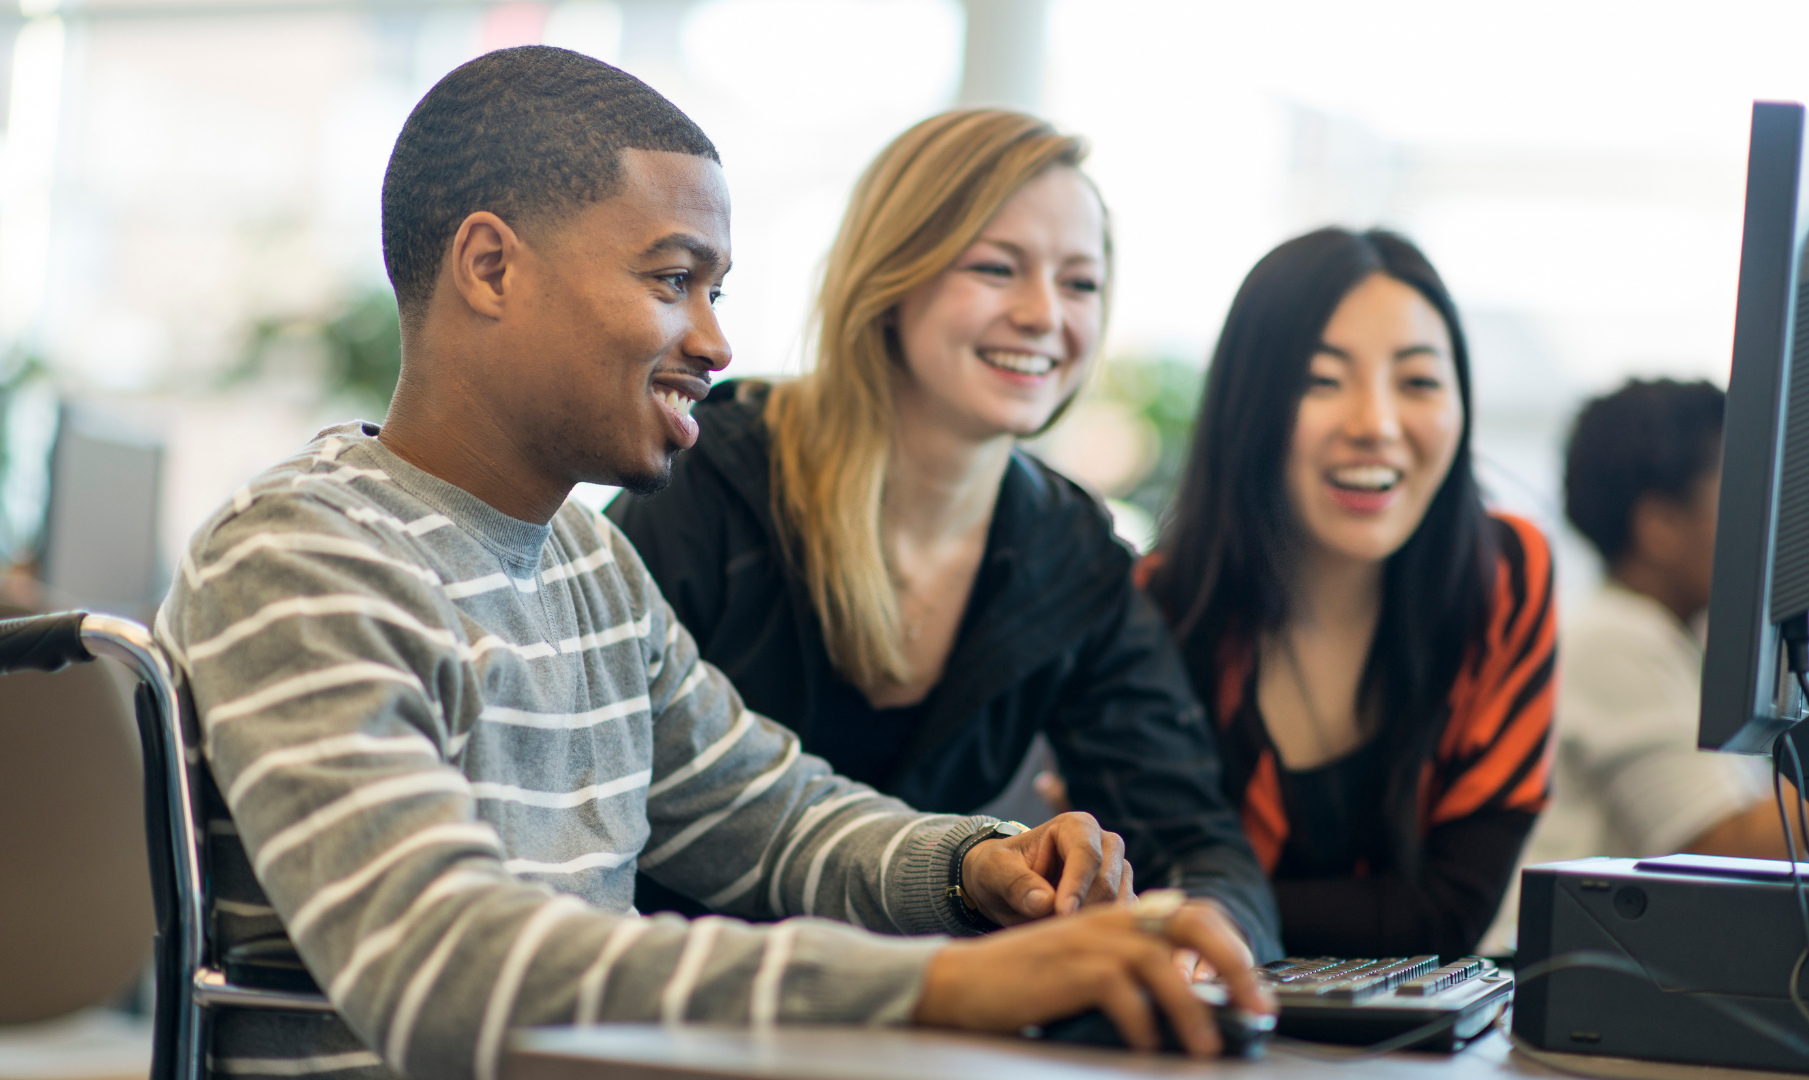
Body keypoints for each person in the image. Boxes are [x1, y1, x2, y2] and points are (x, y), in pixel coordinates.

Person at [155, 48, 1270, 1080]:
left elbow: (776, 819)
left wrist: (982, 864)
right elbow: (446, 967)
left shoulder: (589, 564)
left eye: (716, 290)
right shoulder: (300, 559)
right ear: (491, 267)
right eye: (671, 279)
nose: (715, 344)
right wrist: (947, 985)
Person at [604, 108, 1281, 962]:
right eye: (999, 268)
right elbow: (601, 810)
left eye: (1080, 284)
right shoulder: (709, 485)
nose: (1044, 315)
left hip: (927, 1026)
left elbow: (1197, 843)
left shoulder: (1072, 554)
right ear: (893, 278)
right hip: (688, 1015)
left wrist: (1198, 950)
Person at [1140, 227, 1556, 960]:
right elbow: (1140, 893)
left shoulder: (1506, 577)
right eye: (1320, 380)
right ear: (1250, 405)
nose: (1376, 425)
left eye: (1419, 381)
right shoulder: (1157, 609)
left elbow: (1449, 914)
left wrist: (1197, 906)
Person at [1477, 378, 1809, 954]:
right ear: (1659, 526)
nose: (1769, 526)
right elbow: (1725, 850)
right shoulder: (1616, 637)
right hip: (1535, 984)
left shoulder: (1671, 639)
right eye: (1742, 497)